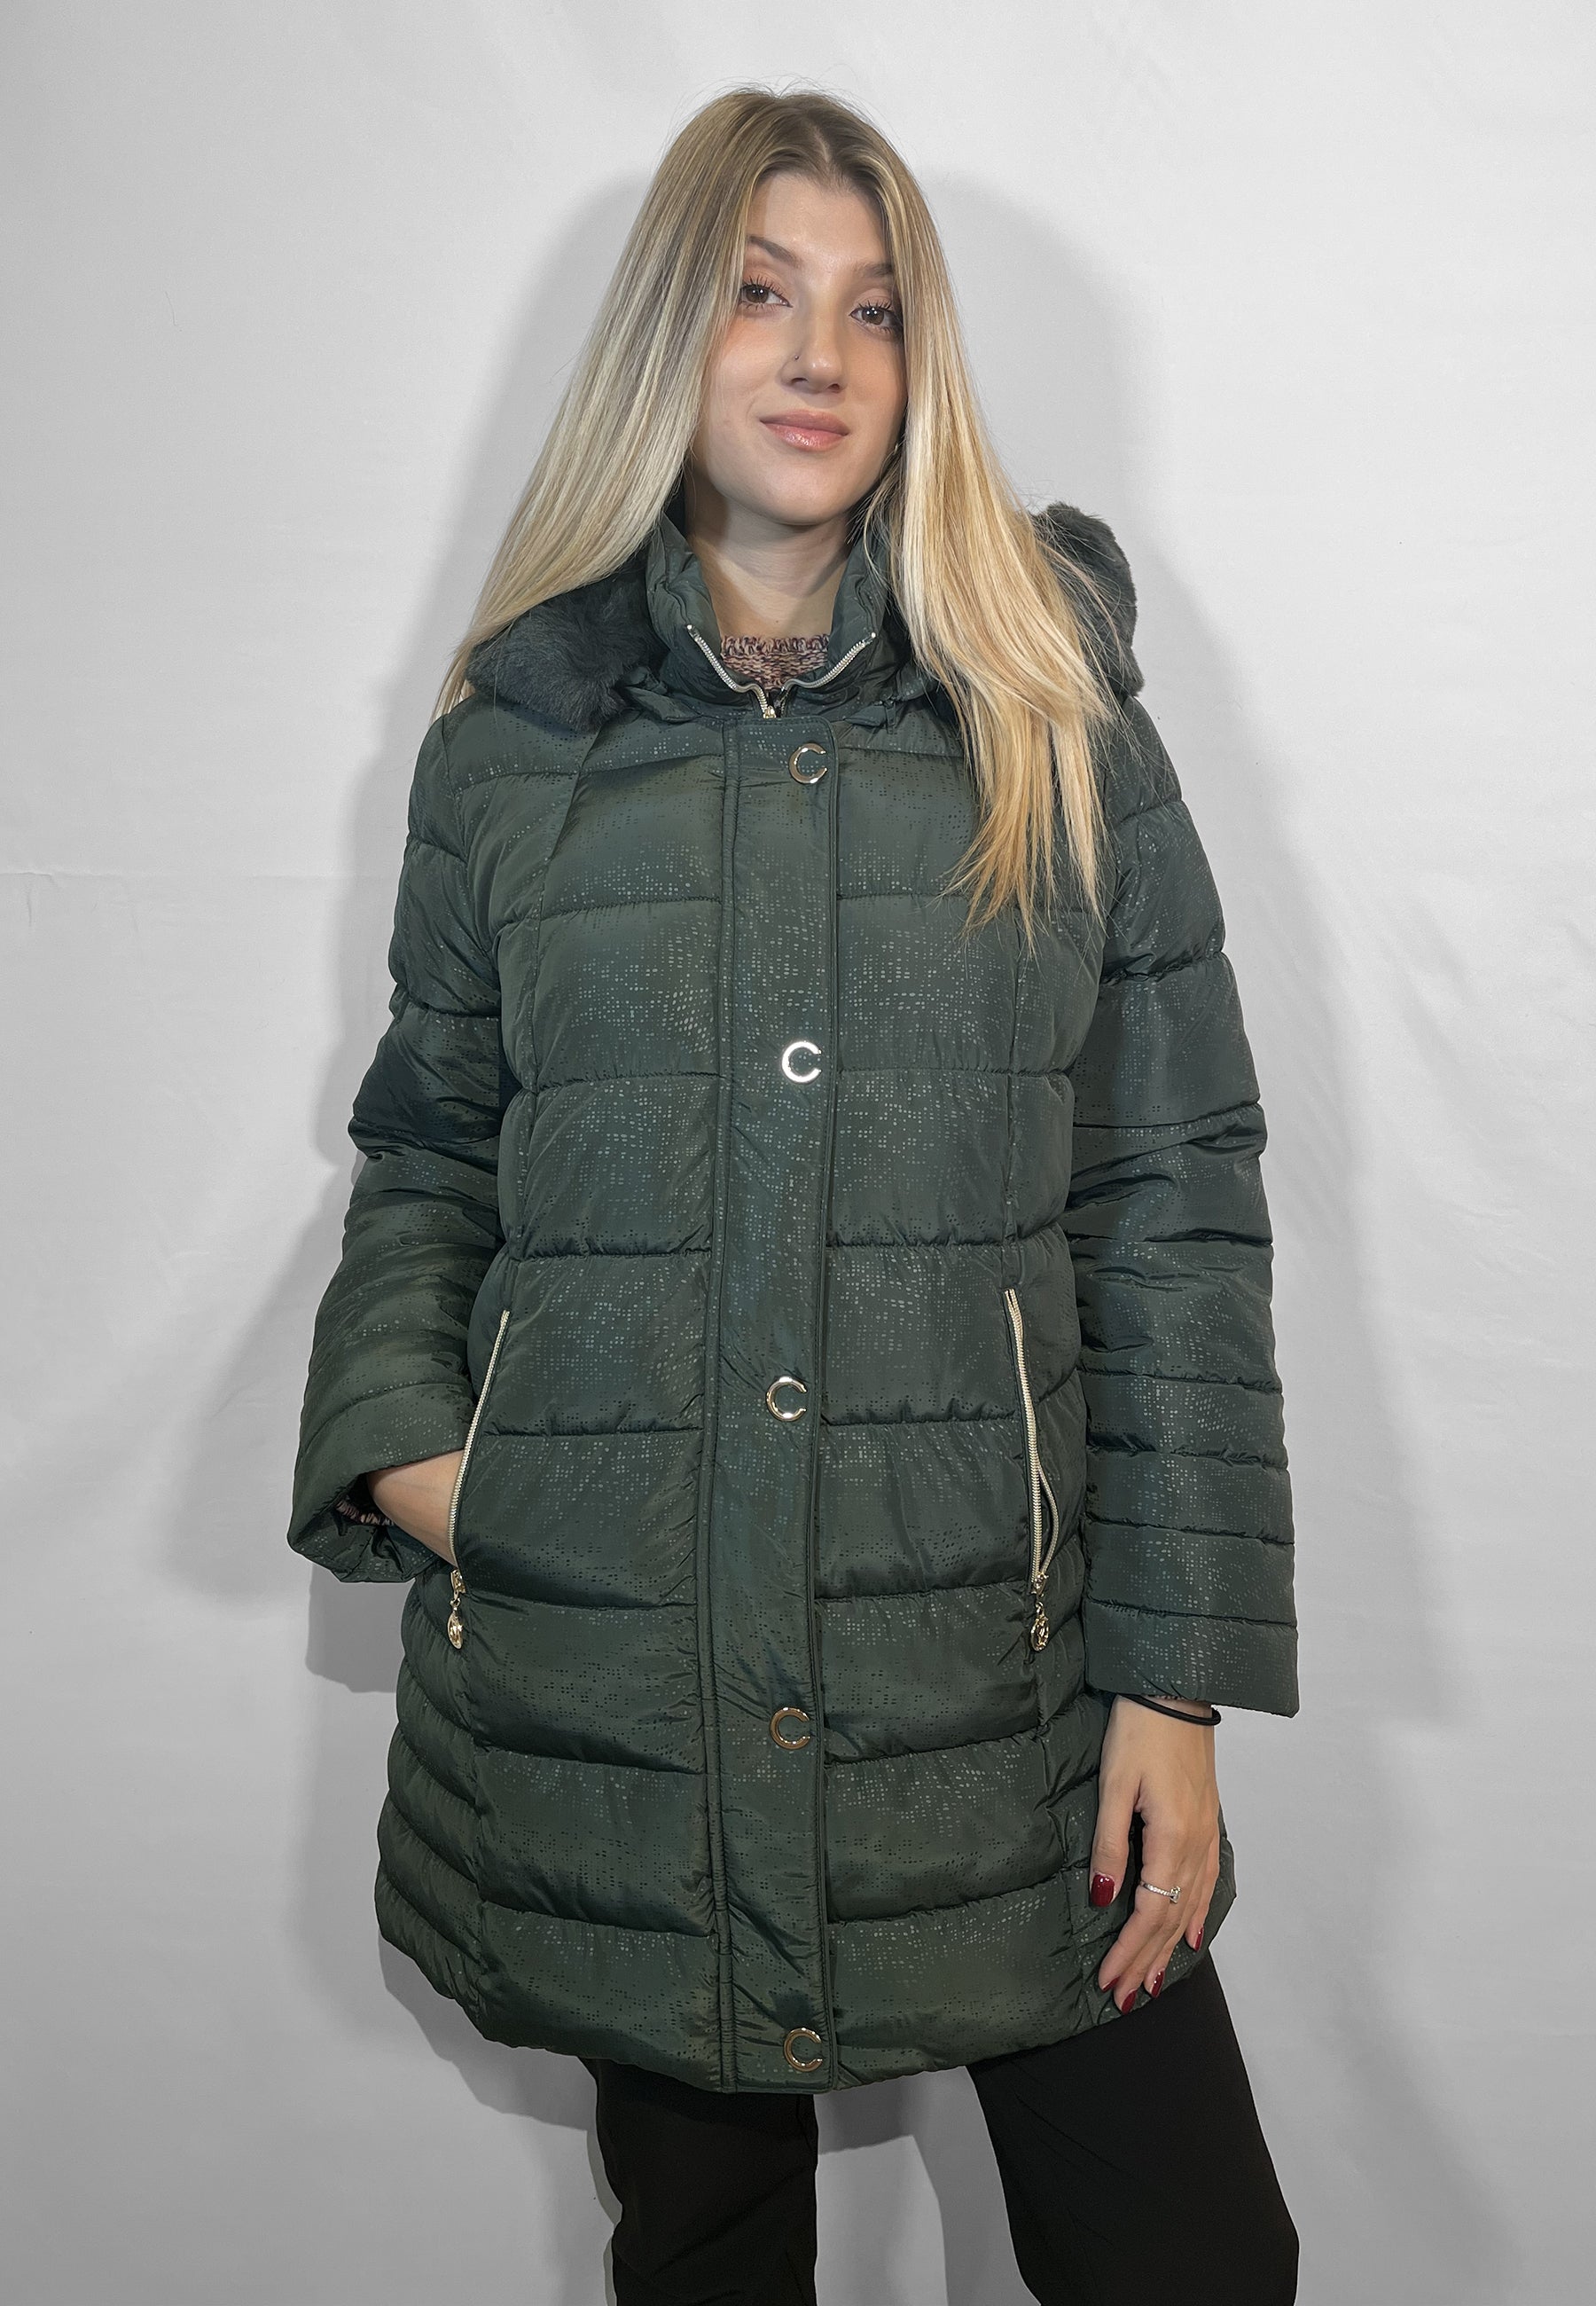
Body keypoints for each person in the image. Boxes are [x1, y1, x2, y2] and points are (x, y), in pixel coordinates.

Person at [287, 84, 1300, 2306]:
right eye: (759, 295)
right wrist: (427, 1460)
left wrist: (1177, 1681)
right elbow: (429, 1142)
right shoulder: (512, 744)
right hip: (623, 1673)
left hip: (994, 1682)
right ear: (671, 334)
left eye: (875, 307)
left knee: (1193, 2259)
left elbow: (1171, 1196)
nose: (820, 355)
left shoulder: (1053, 716)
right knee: (710, 2255)